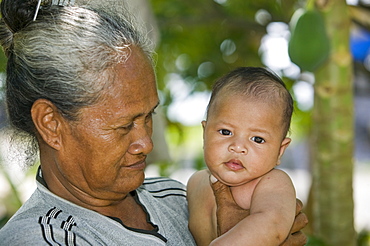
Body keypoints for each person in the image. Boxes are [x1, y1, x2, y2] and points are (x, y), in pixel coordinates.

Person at [0, 0, 307, 245]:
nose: (147, 143)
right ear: (51, 124)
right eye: (123, 126)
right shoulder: (43, 238)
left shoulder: (178, 197)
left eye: (148, 117)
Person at [187, 67, 300, 246]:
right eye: (226, 131)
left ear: (280, 151)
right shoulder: (194, 182)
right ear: (205, 133)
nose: (238, 147)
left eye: (257, 139)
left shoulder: (272, 182)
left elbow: (272, 225)